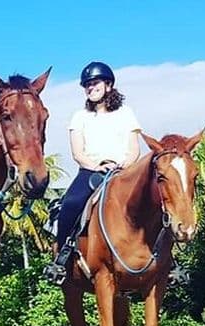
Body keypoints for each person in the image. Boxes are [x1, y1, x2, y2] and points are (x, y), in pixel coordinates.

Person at [44, 61, 142, 284]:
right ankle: (61, 259)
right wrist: (96, 166)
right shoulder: (80, 117)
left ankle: (170, 262)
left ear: (108, 85)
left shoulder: (126, 113)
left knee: (155, 201)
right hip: (91, 171)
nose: (90, 88)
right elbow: (78, 152)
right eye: (87, 85)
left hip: (124, 170)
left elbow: (134, 149)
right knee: (70, 205)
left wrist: (123, 166)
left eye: (95, 83)